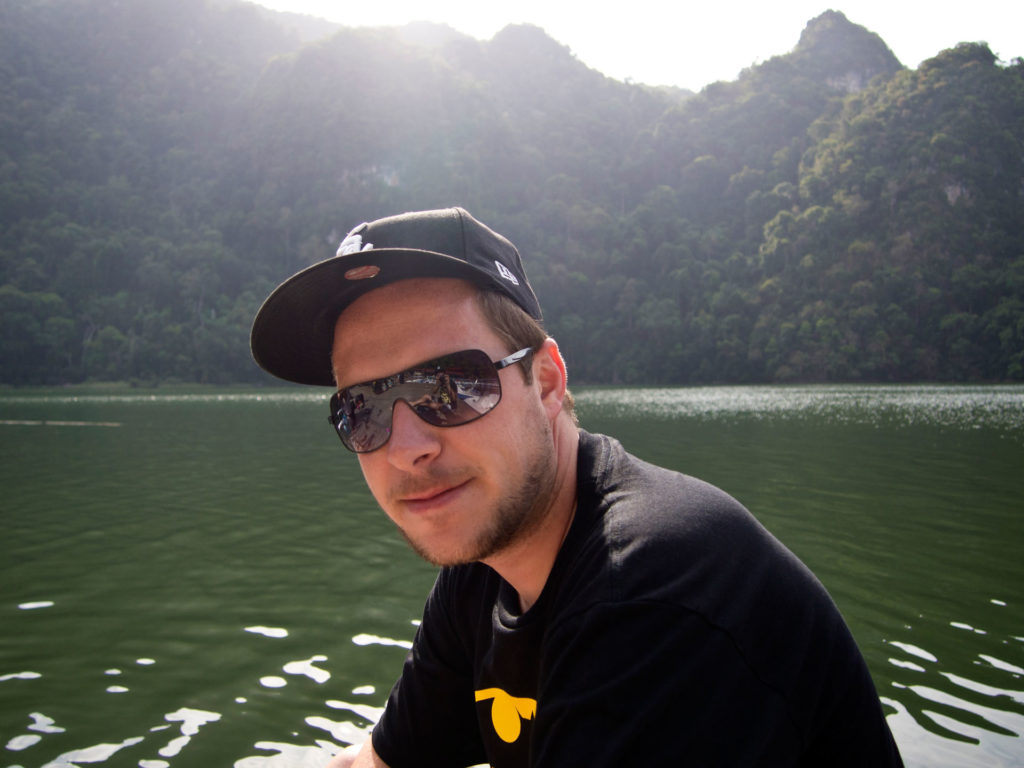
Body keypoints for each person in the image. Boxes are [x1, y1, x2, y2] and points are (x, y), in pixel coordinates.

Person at [250, 207, 903, 767]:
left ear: (549, 382)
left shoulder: (653, 594)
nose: (407, 448)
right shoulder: (486, 571)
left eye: (450, 385)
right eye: (360, 410)